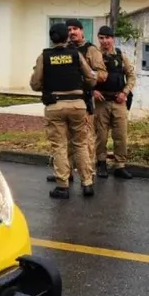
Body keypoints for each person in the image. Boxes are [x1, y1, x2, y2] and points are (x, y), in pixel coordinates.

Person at [30, 22, 99, 199]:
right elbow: (91, 78)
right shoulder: (75, 54)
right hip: (78, 105)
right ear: (66, 37)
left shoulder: (44, 56)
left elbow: (35, 84)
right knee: (81, 144)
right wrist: (81, 85)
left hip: (55, 106)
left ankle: (62, 186)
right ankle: (87, 183)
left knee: (60, 145)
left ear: (51, 37)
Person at [46, 18, 107, 183]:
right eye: (69, 29)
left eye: (75, 29)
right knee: (63, 140)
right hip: (61, 100)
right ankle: (65, 173)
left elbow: (102, 74)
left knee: (85, 141)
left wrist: (86, 78)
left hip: (83, 101)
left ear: (82, 31)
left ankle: (88, 174)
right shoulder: (61, 50)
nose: (72, 32)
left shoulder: (91, 50)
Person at [93, 25, 136, 180]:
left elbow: (131, 76)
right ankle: (101, 164)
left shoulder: (120, 55)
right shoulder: (94, 56)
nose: (105, 41)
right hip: (101, 102)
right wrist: (93, 91)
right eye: (101, 38)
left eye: (107, 38)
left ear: (113, 39)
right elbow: (85, 77)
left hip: (118, 101)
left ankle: (120, 166)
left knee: (121, 135)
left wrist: (124, 93)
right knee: (101, 136)